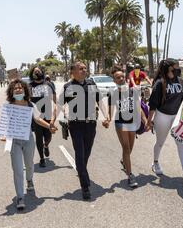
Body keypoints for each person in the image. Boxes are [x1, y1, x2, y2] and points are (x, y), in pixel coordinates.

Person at [58, 62, 109, 200]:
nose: (84, 70)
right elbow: (60, 104)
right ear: (72, 72)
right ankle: (85, 186)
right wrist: (54, 120)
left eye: (85, 68)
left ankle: (82, 171)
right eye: (80, 69)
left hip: (90, 124)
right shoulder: (68, 87)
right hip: (75, 125)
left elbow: (100, 100)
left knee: (86, 154)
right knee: (79, 154)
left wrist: (107, 116)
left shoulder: (91, 83)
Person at [145, 60, 183, 186]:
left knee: (182, 143)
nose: (177, 70)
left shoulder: (180, 81)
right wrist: (149, 121)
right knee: (160, 142)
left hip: (177, 116)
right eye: (175, 67)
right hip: (162, 116)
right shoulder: (160, 83)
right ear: (168, 68)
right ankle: (155, 162)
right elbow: (153, 104)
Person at [6, 79, 57, 210]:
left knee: (29, 165)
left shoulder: (30, 105)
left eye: (20, 88)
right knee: (17, 169)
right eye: (15, 88)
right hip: (14, 141)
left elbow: (38, 119)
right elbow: (4, 125)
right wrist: (3, 136)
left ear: (25, 90)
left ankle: (29, 180)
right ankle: (20, 197)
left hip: (28, 139)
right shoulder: (8, 106)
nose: (18, 90)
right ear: (11, 91)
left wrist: (49, 127)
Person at [103, 66, 148, 188]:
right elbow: (110, 111)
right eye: (118, 77)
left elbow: (138, 107)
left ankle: (124, 161)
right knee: (126, 148)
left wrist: (145, 121)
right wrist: (107, 120)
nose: (121, 79)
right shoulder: (112, 93)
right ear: (114, 81)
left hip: (132, 122)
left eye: (122, 76)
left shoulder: (132, 90)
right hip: (121, 122)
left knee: (129, 148)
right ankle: (130, 175)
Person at [29, 66, 57, 168]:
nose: (37, 73)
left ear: (42, 72)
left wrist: (57, 111)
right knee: (39, 137)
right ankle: (41, 158)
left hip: (48, 114)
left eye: (38, 71)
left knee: (48, 136)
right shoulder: (30, 86)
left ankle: (46, 145)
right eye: (35, 72)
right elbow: (27, 100)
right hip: (36, 116)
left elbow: (55, 100)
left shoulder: (48, 84)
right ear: (32, 74)